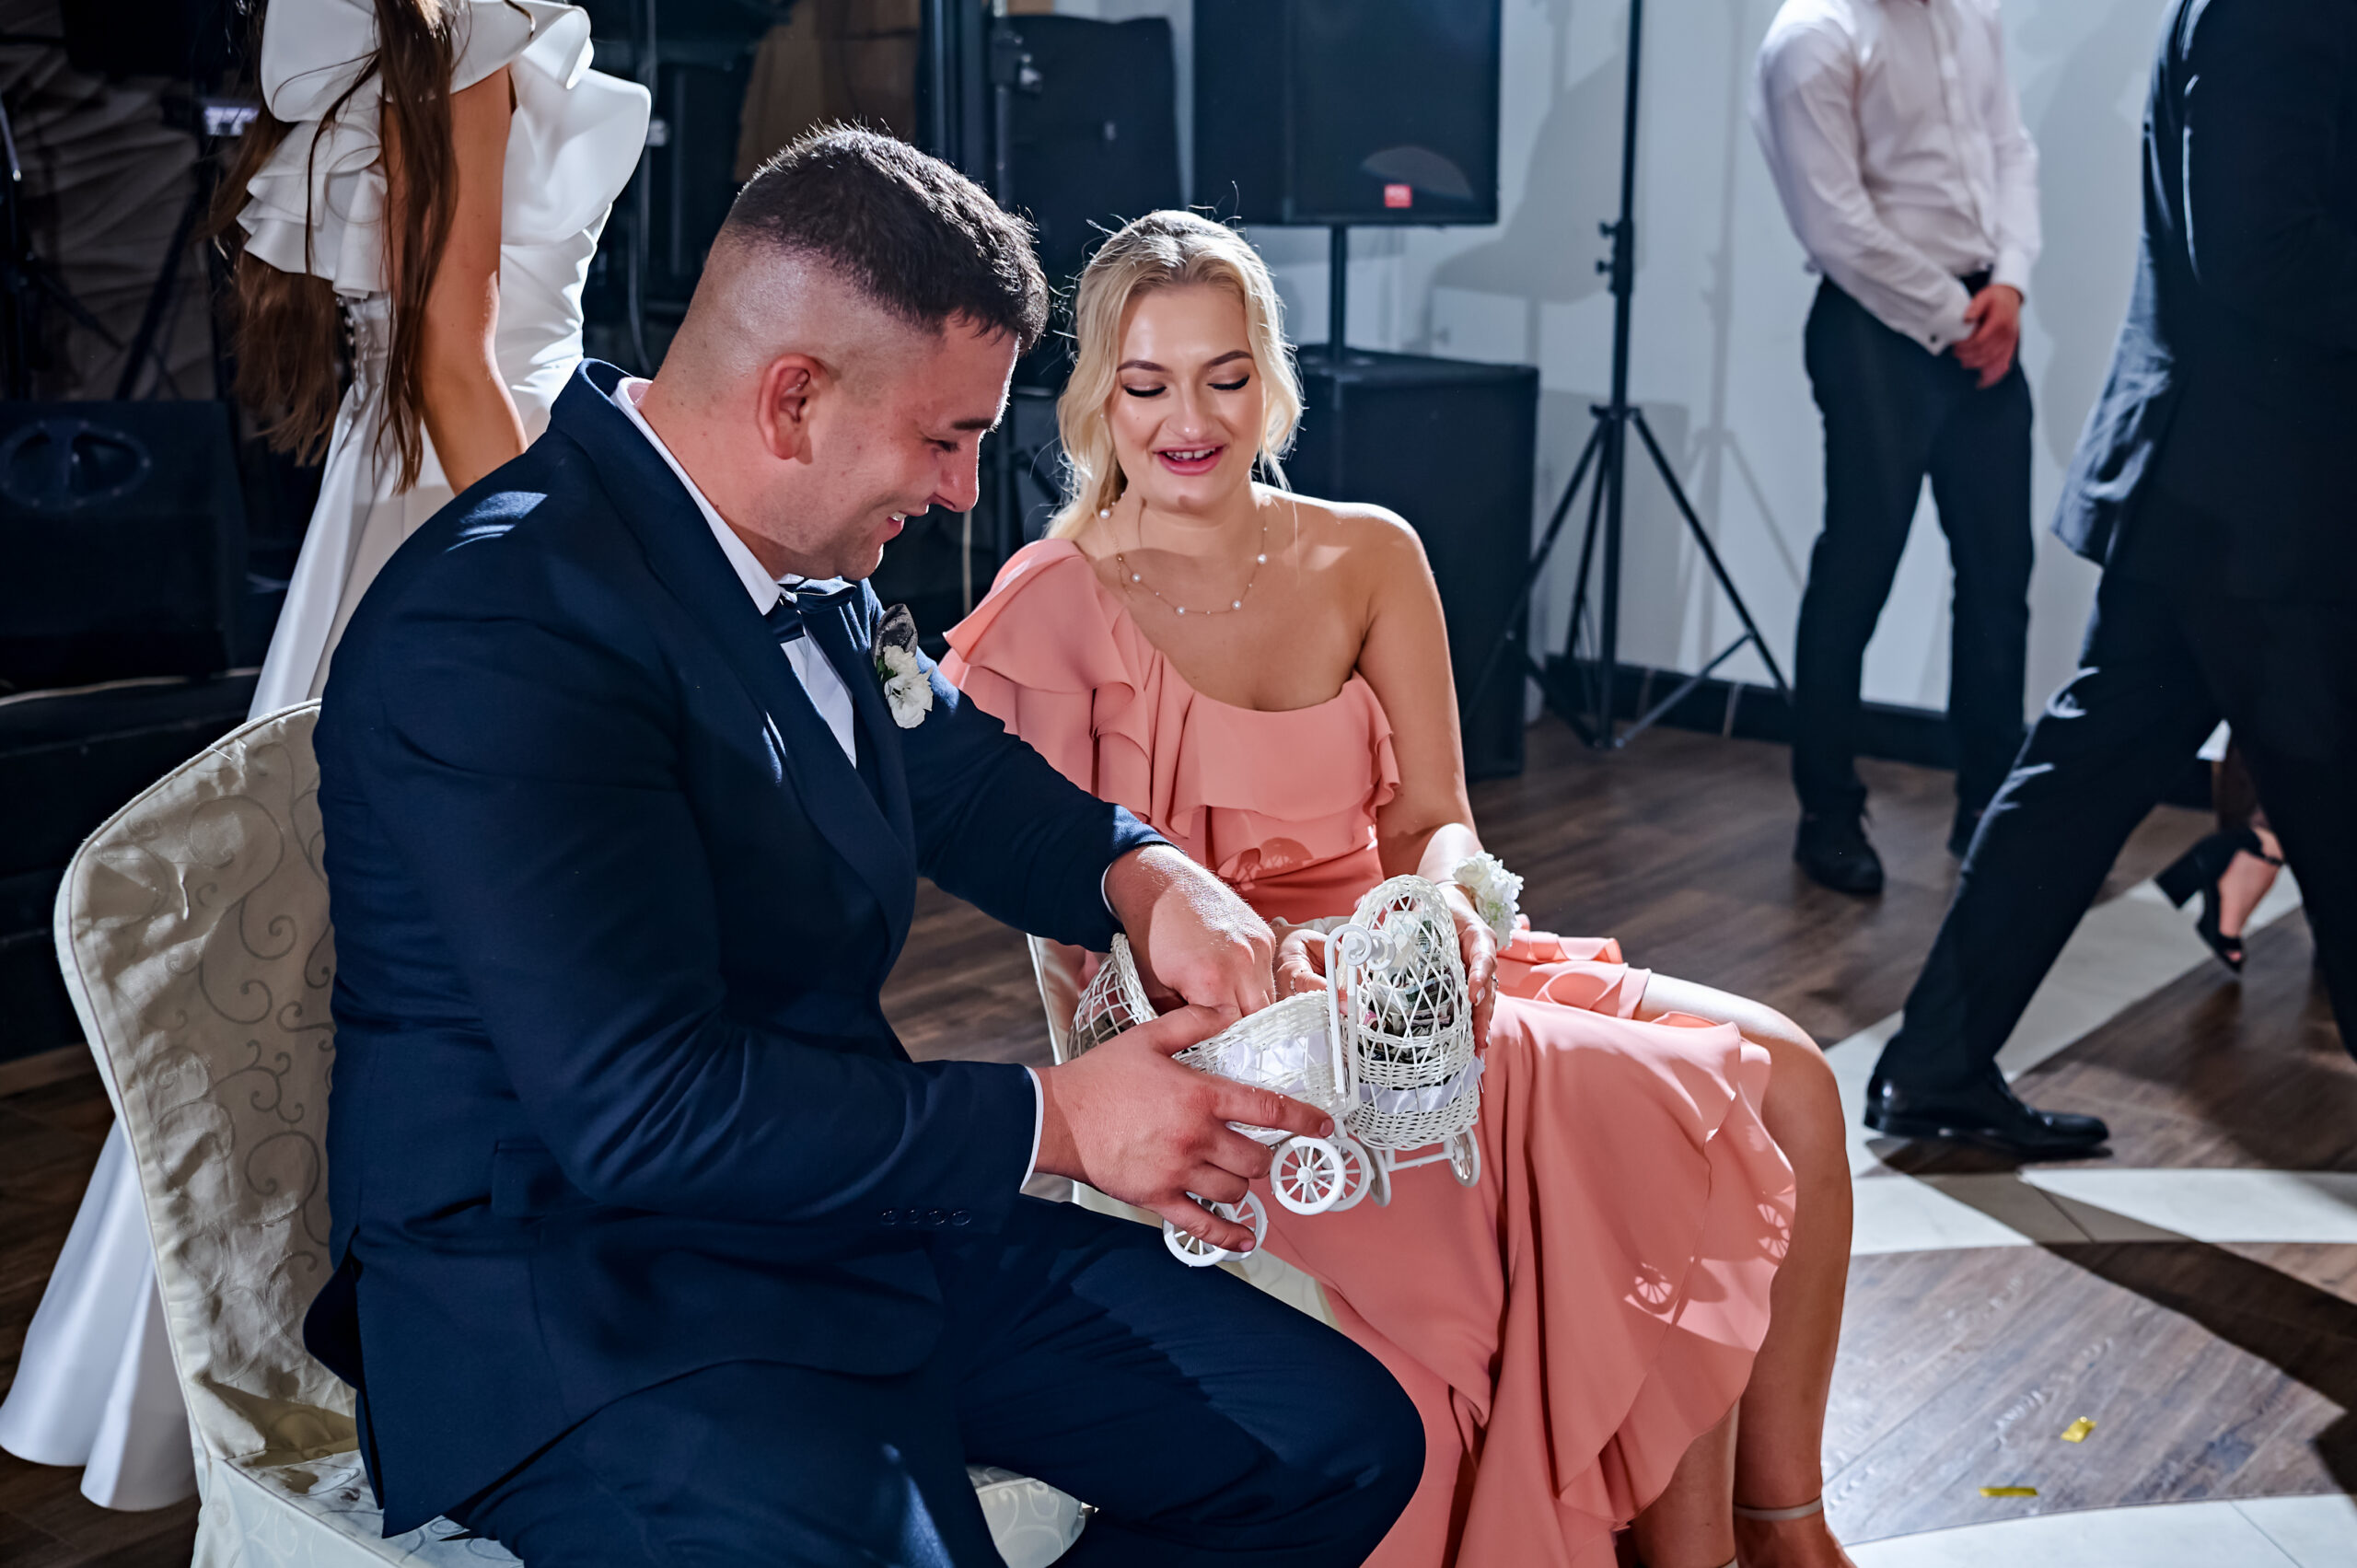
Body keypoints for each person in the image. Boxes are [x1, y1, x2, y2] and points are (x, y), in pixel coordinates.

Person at [303, 132, 1422, 1564]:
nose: (964, 489)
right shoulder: (505, 622)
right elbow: (645, 1111)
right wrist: (1061, 1122)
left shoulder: (805, 561)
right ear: (794, 400)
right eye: (945, 439)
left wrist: (1146, 873)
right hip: (588, 1290)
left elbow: (958, 778)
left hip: (837, 1214)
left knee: (1333, 1441)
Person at [944, 211, 1858, 1568]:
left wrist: (1444, 917)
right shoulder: (1049, 600)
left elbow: (1433, 819)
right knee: (1675, 1100)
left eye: (1225, 375)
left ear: (1270, 376)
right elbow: (1073, 942)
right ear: (1097, 400)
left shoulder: (1368, 552)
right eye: (1146, 384)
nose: (1189, 419)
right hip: (1243, 1041)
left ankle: (1784, 1523)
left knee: (1791, 1073)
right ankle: (1702, 1555)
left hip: (1410, 967)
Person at [0, 0, 645, 1508]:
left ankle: (408, 1341)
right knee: (431, 954)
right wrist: (578, 589)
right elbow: (456, 360)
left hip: (428, 490)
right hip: (467, 503)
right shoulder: (465, 31)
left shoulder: (438, 30)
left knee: (333, 954)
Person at [1865, 0, 2357, 1156]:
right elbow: (2255, 252)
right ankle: (1934, 1067)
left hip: (2220, 498)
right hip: (2252, 502)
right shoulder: (2271, 12)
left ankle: (1935, 1067)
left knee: (2074, 787)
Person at [1751, 0, 2041, 894]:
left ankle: (1989, 810)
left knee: (1999, 577)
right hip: (1874, 328)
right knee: (1858, 570)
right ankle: (1827, 816)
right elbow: (1834, 224)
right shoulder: (1813, 37)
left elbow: (2010, 148)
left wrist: (2009, 284)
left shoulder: (1973, 12)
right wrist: (1959, 315)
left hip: (1983, 313)